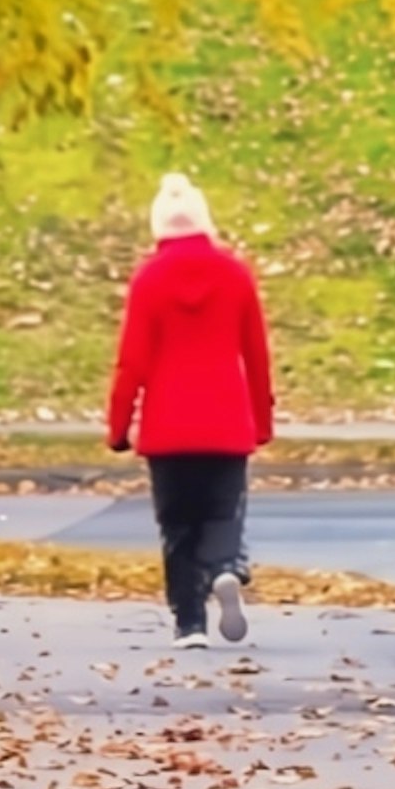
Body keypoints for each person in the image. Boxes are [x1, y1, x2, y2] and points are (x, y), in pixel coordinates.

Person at [104, 170, 276, 648]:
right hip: (226, 422)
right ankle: (224, 568)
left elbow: (131, 361)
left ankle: (189, 624)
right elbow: (256, 355)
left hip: (167, 428)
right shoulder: (235, 274)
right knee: (222, 513)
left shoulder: (148, 279)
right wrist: (261, 422)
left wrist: (119, 427)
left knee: (177, 526)